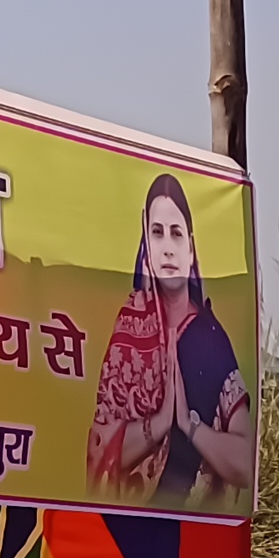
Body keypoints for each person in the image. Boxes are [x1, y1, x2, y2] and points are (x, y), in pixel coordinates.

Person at [84, 173, 254, 501]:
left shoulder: (210, 339)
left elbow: (244, 463)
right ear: (146, 247)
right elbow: (99, 448)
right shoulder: (128, 330)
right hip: (126, 529)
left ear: (190, 250)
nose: (167, 249)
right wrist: (159, 423)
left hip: (188, 528)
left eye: (176, 234)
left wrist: (190, 426)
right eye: (157, 233)